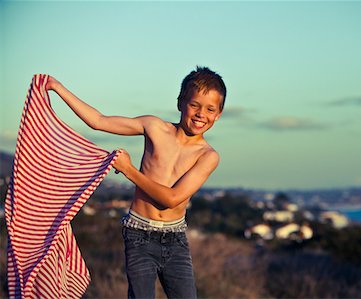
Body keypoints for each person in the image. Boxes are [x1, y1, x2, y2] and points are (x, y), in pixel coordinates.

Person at [46, 66, 227, 299]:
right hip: (139, 235)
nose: (201, 114)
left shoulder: (208, 156)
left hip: (176, 239)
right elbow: (99, 121)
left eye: (210, 109)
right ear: (181, 102)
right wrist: (57, 88)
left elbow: (171, 199)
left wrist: (128, 170)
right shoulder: (154, 128)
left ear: (218, 114)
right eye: (195, 105)